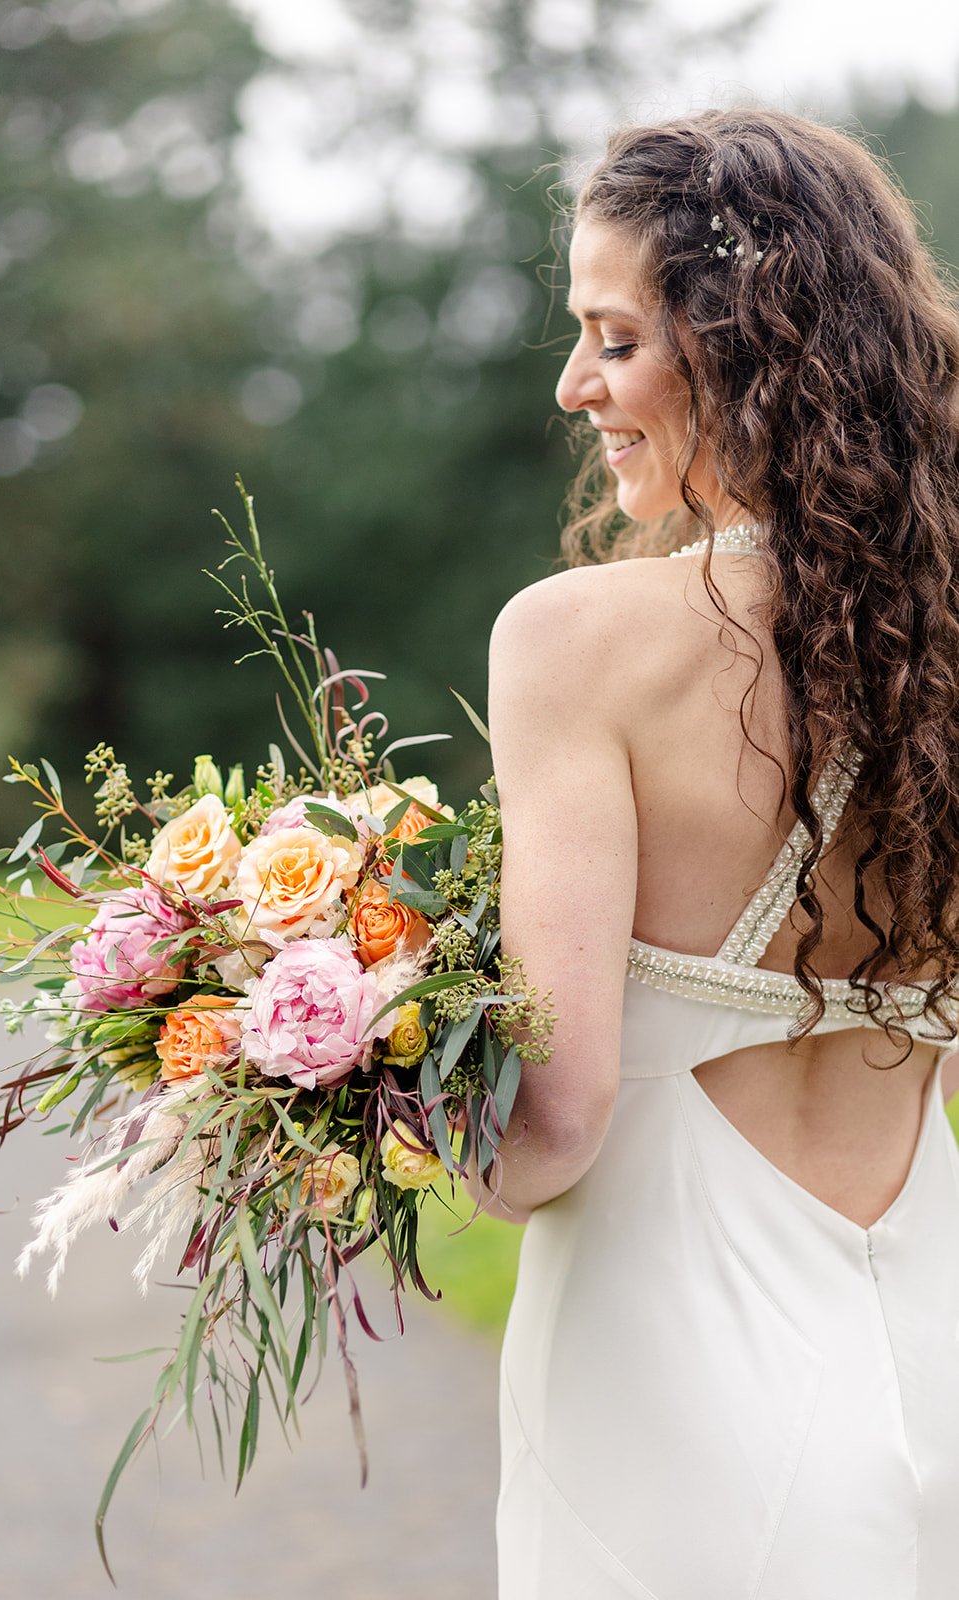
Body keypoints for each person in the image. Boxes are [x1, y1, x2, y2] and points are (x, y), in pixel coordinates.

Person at [478, 108, 959, 1598]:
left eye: (613, 339)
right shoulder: (943, 653)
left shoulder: (576, 643)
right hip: (932, 1326)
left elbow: (556, 1118)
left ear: (741, 344)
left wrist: (344, 1107)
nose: (576, 386)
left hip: (666, 1354)